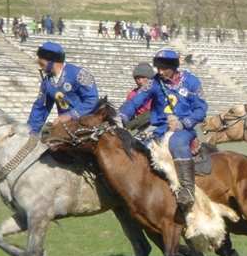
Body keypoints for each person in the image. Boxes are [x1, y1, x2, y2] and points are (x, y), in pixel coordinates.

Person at [119, 49, 207, 212]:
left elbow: (201, 110)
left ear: (174, 67)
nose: (159, 71)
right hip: (159, 129)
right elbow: (135, 101)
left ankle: (187, 190)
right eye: (157, 68)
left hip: (183, 130)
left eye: (163, 68)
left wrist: (183, 123)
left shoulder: (192, 82)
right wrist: (122, 115)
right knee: (133, 146)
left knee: (177, 143)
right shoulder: (154, 83)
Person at [27, 42, 99, 135]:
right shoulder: (47, 82)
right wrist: (31, 131)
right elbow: (40, 108)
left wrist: (70, 115)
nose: (40, 66)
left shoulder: (79, 74)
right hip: (67, 127)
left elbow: (92, 99)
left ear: (51, 61)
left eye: (41, 63)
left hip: (88, 124)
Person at [123, 62, 154, 129]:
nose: (140, 81)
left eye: (143, 77)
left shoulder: (157, 91)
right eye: (137, 78)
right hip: (139, 125)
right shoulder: (132, 94)